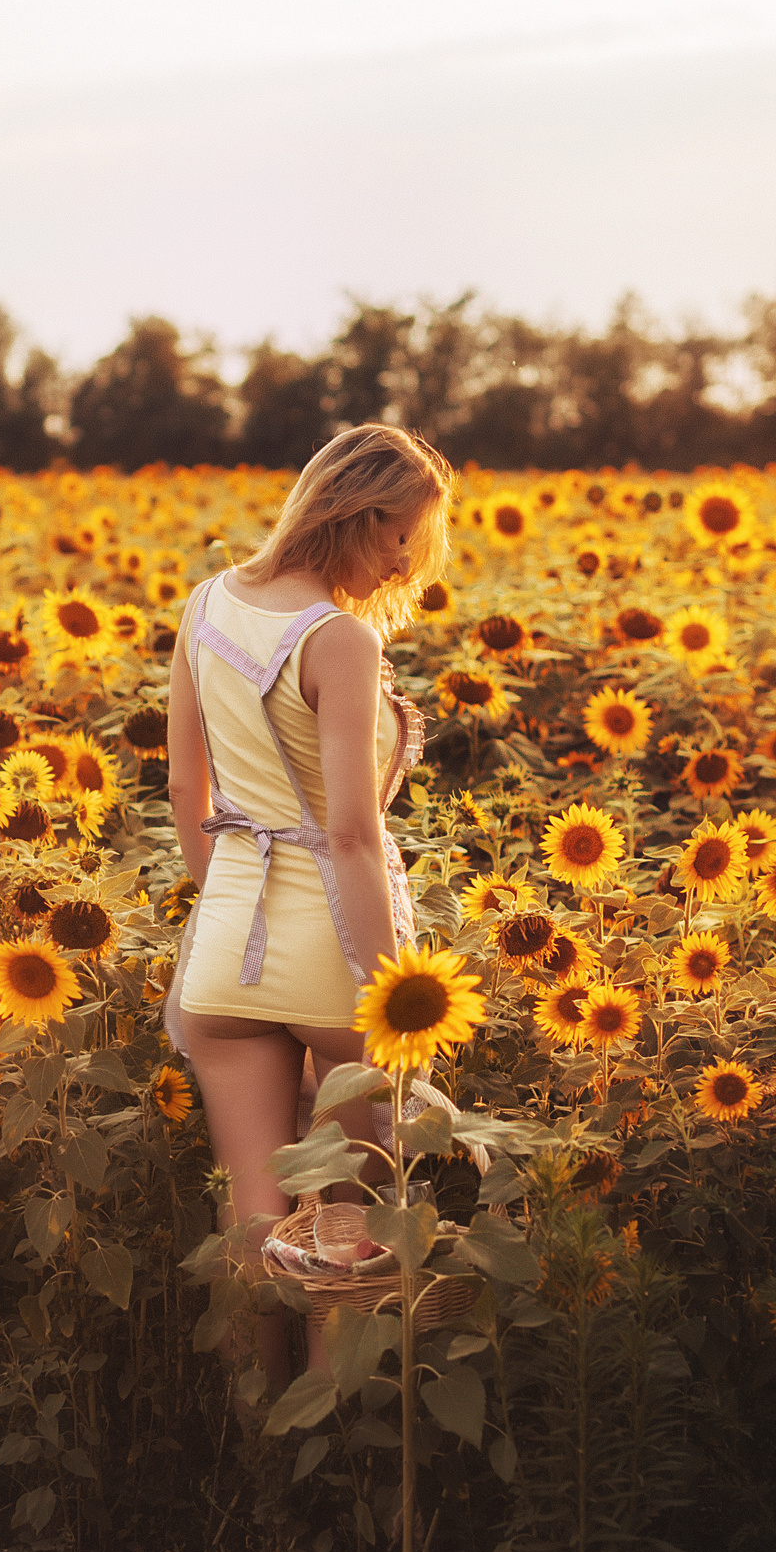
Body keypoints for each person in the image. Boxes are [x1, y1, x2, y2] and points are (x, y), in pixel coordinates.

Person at [162, 423, 454, 1398]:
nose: (405, 560)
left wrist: (230, 906)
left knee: (250, 1215)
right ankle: (336, 1456)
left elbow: (184, 796)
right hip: (330, 954)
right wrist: (388, 996)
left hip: (222, 953)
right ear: (358, 515)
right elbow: (349, 836)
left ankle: (256, 1461)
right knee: (353, 1231)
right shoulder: (337, 638)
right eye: (401, 536)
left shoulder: (205, 607)